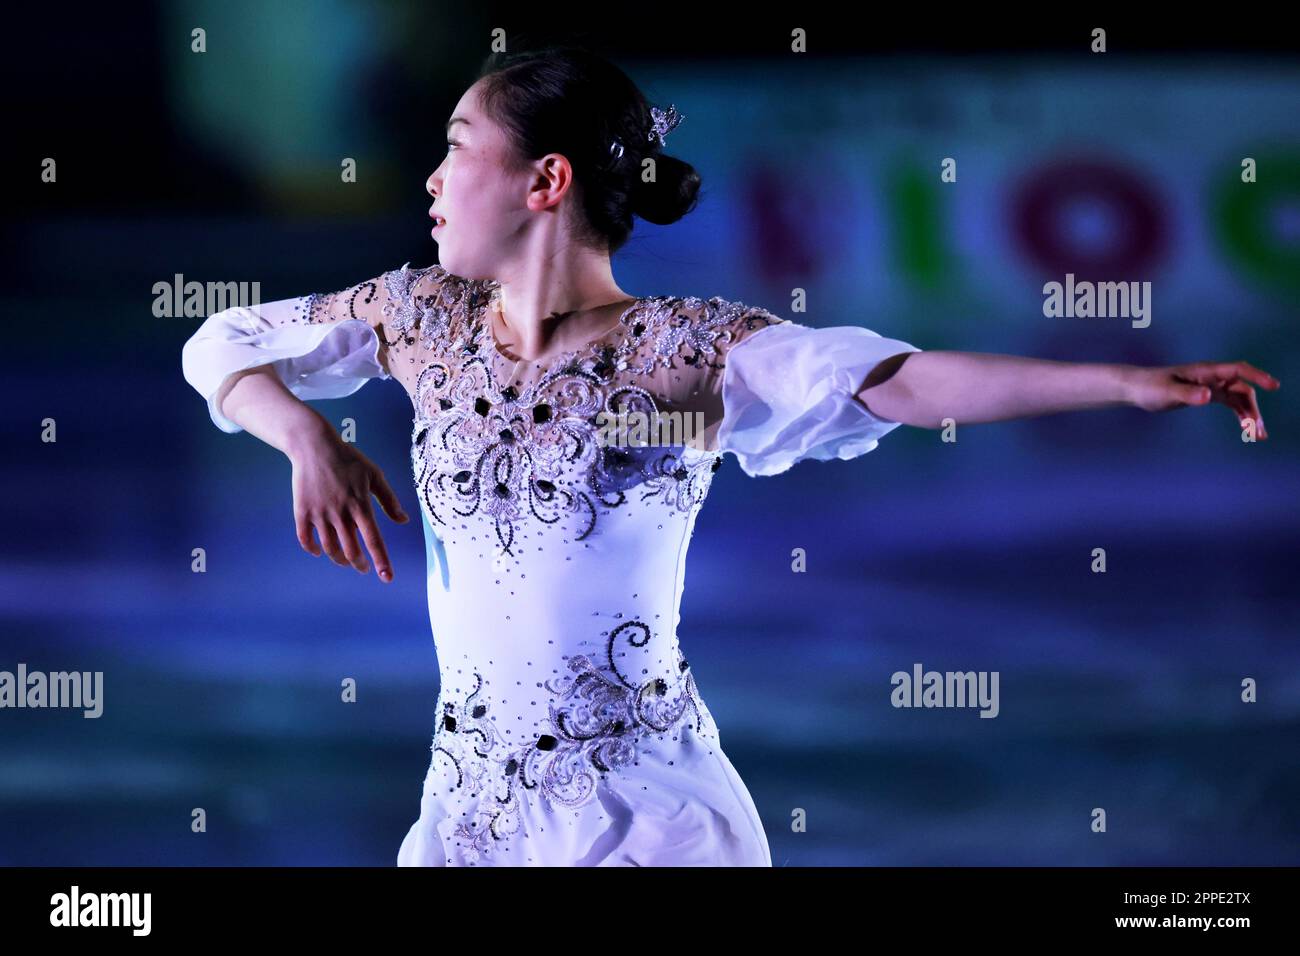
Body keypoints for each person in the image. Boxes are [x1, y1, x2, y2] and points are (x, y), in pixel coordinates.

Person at [181, 47, 1279, 866]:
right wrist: (306, 435)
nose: (428, 177)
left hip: (646, 820)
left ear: (544, 181)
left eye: (458, 147)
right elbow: (219, 344)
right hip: (471, 816)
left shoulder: (685, 354)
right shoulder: (419, 320)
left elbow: (892, 380)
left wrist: (1124, 380)